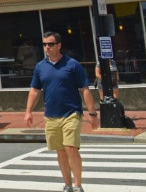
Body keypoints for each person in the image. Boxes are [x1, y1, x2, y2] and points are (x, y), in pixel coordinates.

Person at [25, 31, 98, 192]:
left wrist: (92, 114)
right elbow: (35, 90)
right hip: (51, 116)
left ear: (59, 45)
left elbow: (85, 90)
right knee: (60, 150)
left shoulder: (72, 65)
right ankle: (68, 185)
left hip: (71, 113)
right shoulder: (40, 67)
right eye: (44, 44)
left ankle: (78, 185)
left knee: (70, 147)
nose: (47, 47)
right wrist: (28, 111)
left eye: (50, 44)